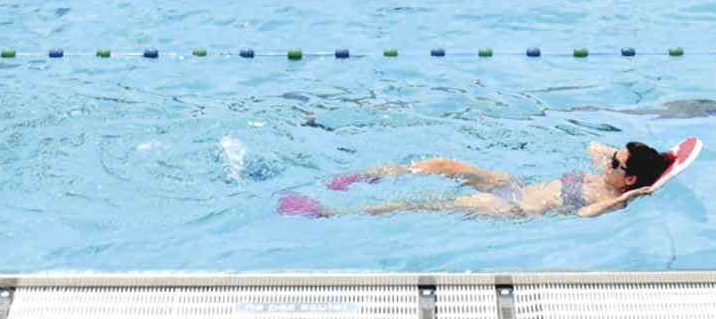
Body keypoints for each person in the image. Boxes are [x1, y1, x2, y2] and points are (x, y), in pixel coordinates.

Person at [280, 140, 675, 220]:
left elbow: (586, 216)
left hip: (514, 206)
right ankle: (365, 176)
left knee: (430, 202)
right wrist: (638, 157)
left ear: (629, 181)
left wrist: (639, 190)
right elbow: (592, 145)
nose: (606, 161)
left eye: (615, 164)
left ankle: (330, 212)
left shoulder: (616, 198)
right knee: (443, 163)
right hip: (516, 184)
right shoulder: (610, 173)